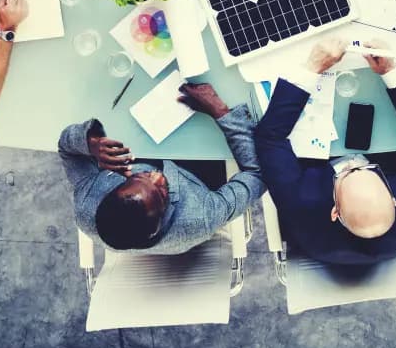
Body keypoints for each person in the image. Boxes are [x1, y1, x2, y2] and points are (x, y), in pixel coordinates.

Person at [254, 39, 396, 266]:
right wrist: (391, 71)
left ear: (335, 211)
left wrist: (313, 67)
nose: (353, 162)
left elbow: (269, 138)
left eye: (347, 173)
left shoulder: (302, 206)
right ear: (393, 200)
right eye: (367, 170)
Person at [58, 83, 264, 253]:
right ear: (159, 224)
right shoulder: (201, 215)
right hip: (197, 176)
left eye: (138, 177)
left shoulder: (86, 205)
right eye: (162, 193)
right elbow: (258, 173)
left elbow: (67, 149)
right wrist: (220, 111)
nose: (157, 177)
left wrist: (91, 143)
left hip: (145, 140)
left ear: (109, 191)